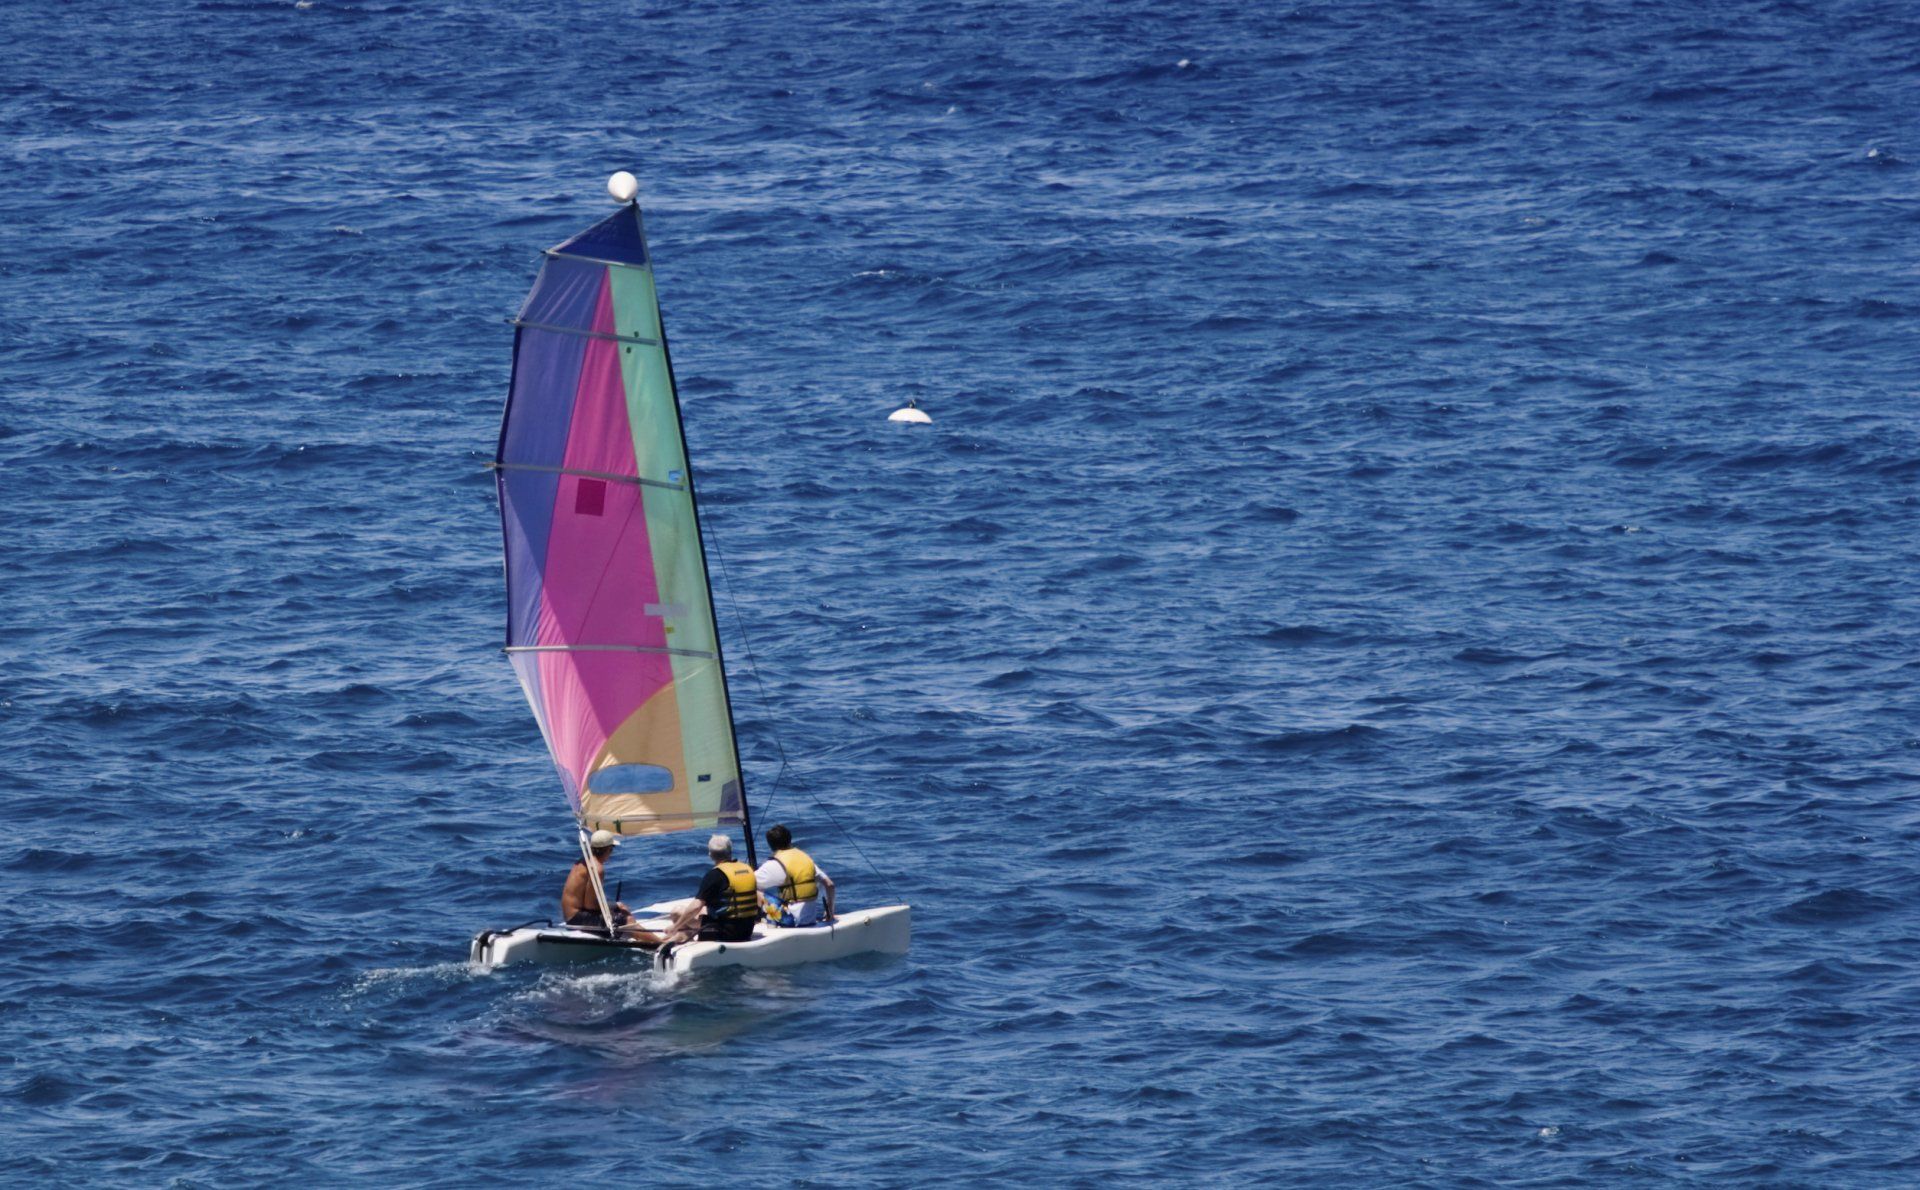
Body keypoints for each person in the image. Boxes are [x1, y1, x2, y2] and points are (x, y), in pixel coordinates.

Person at [561, 829, 660, 943]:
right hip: (576, 919)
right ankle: (660, 944)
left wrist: (615, 906)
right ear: (608, 849)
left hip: (571, 914)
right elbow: (590, 905)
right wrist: (614, 908)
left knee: (621, 908)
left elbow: (587, 901)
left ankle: (643, 937)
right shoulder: (598, 869)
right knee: (626, 919)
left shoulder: (583, 861)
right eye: (612, 849)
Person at [661, 834, 763, 945]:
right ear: (730, 851)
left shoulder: (715, 875)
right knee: (705, 911)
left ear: (710, 855)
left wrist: (675, 926)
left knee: (677, 912)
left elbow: (696, 906)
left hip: (725, 933)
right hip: (747, 929)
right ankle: (684, 935)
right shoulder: (748, 869)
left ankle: (681, 935)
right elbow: (759, 898)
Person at [755, 823, 836, 927]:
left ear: (770, 845)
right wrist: (830, 912)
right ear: (790, 840)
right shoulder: (806, 859)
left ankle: (754, 922)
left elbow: (748, 882)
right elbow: (830, 885)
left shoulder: (774, 864)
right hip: (810, 919)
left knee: (752, 888)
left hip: (790, 922)